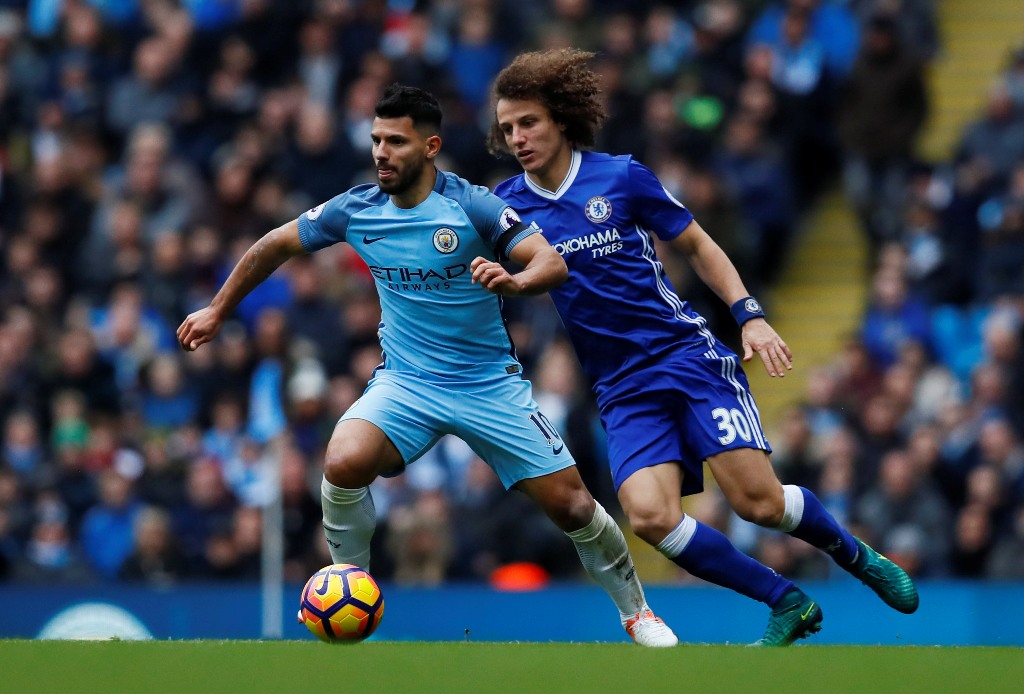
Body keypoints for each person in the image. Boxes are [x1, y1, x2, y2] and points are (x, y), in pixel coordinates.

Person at [177, 84, 676, 646]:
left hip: (488, 385)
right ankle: (351, 587)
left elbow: (551, 262)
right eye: (375, 140)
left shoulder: (472, 206)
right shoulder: (357, 208)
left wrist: (514, 279)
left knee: (574, 505)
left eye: (396, 141)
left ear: (430, 146)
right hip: (407, 384)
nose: (381, 153)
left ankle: (637, 612)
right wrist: (218, 309)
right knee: (343, 460)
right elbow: (274, 243)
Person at [487, 49, 919, 646]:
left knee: (759, 505)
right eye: (507, 128)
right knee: (649, 517)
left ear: (560, 118)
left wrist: (751, 317)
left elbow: (698, 245)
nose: (518, 137)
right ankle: (786, 601)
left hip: (684, 355)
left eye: (528, 122)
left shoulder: (622, 177)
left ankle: (854, 554)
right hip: (620, 384)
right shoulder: (506, 205)